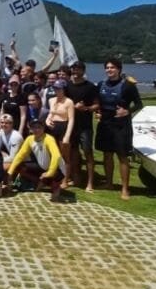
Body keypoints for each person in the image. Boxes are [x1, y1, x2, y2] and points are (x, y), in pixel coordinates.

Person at [95, 58, 143, 200]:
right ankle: (109, 183)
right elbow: (97, 102)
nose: (109, 70)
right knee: (107, 154)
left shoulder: (128, 85)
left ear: (119, 69)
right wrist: (96, 111)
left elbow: (139, 104)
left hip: (121, 125)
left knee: (122, 156)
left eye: (112, 67)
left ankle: (125, 189)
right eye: (107, 67)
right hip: (105, 124)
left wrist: (127, 111)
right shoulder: (101, 84)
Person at [9, 119, 66, 202]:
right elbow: (20, 155)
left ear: (43, 128)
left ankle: (53, 184)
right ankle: (41, 181)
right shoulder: (29, 139)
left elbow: (56, 156)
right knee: (19, 167)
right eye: (34, 128)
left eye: (39, 127)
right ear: (31, 129)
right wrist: (10, 172)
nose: (36, 130)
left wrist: (50, 173)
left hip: (57, 168)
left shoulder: (49, 139)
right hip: (42, 166)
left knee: (54, 195)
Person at [66, 60, 99, 192]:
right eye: (73, 69)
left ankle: (90, 182)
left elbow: (97, 105)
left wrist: (85, 108)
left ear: (83, 71)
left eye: (78, 69)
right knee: (73, 153)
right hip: (71, 125)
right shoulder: (67, 86)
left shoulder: (90, 86)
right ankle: (76, 177)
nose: (75, 72)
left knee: (87, 152)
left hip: (85, 126)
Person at [45, 79, 76, 186]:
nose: (57, 91)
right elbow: (50, 114)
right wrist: (47, 121)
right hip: (53, 128)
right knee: (53, 154)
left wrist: (67, 136)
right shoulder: (51, 100)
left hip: (63, 126)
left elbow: (71, 119)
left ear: (64, 89)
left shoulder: (69, 102)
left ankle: (65, 179)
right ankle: (53, 177)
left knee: (65, 156)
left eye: (59, 89)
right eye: (55, 88)